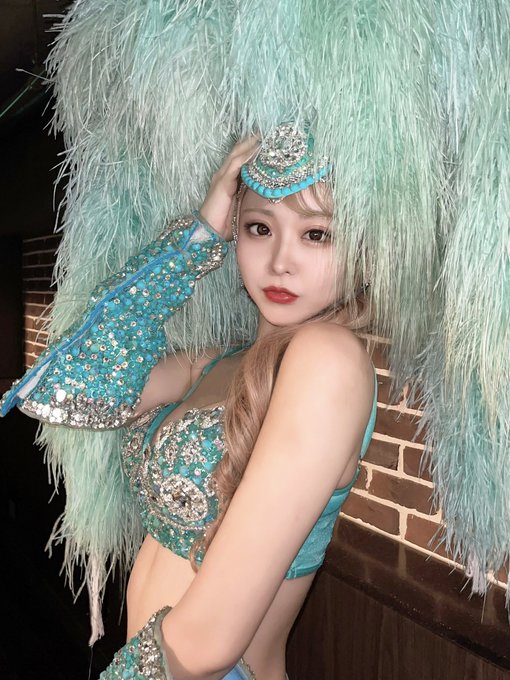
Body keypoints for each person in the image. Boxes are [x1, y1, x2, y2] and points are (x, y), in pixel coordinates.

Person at [1, 124, 377, 679]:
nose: (280, 261)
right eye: (258, 227)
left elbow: (208, 642)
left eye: (316, 234)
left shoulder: (329, 359)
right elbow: (69, 387)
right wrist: (196, 238)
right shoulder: (215, 363)